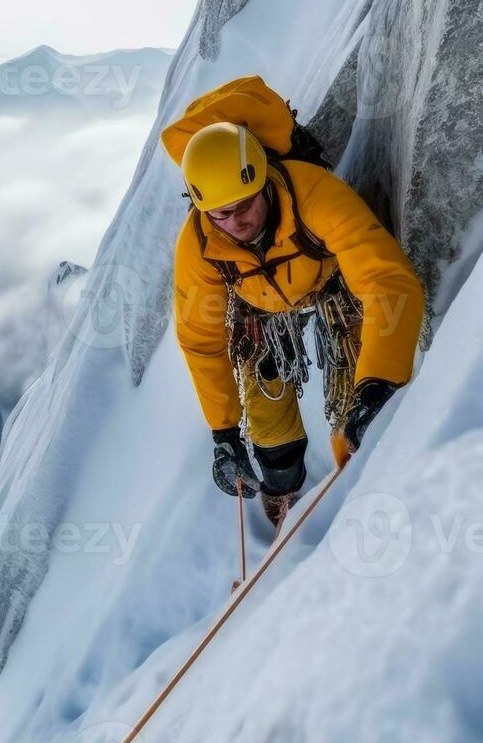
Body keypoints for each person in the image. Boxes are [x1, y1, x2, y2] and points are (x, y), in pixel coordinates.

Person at [171, 113, 424, 530]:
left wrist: (378, 382)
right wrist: (225, 435)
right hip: (260, 307)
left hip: (332, 283)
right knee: (269, 422)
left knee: (358, 412)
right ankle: (282, 488)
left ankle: (356, 485)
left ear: (265, 182)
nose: (235, 222)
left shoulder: (314, 194)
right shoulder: (200, 243)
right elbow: (200, 338)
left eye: (245, 204)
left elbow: (387, 282)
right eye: (220, 213)